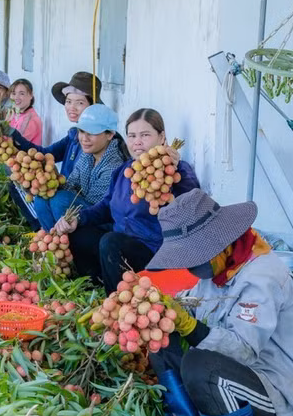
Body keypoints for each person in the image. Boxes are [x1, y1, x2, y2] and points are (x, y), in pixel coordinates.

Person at [142, 189, 293, 416]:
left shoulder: (262, 277)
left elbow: (243, 350)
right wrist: (165, 307)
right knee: (161, 333)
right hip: (241, 377)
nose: (191, 266)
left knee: (201, 367)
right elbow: (196, 301)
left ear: (222, 244)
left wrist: (189, 326)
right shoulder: (221, 269)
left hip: (279, 396)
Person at [55, 109, 199, 293]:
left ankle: (116, 299)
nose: (137, 142)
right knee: (79, 235)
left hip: (155, 252)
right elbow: (106, 206)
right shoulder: (124, 170)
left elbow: (192, 205)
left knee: (111, 241)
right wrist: (78, 219)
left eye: (145, 135)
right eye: (132, 136)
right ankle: (95, 286)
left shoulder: (177, 171)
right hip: (122, 246)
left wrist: (173, 171)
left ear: (162, 137)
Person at [8, 72, 102, 229]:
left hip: (85, 208)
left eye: (79, 103)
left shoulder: (99, 140)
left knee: (58, 199)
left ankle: (56, 234)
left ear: (92, 106)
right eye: (68, 101)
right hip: (65, 195)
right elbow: (45, 154)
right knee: (35, 194)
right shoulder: (73, 135)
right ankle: (46, 234)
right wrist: (15, 136)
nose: (72, 107)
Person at [33, 104, 128, 230]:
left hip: (98, 221)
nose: (84, 138)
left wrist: (60, 188)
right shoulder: (87, 155)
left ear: (110, 134)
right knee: (41, 198)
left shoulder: (114, 166)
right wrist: (51, 181)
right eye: (82, 131)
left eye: (92, 133)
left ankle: (68, 240)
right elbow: (71, 185)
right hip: (81, 214)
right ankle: (54, 238)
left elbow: (96, 207)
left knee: (60, 200)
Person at [8, 78, 42, 144]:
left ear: (31, 95)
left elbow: (15, 144)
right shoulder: (15, 114)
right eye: (14, 93)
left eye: (22, 94)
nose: (16, 97)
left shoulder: (31, 120)